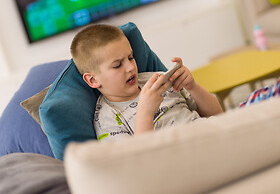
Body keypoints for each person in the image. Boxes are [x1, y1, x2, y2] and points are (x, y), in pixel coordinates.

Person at [70, 24, 223, 141]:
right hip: (183, 157)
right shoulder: (107, 118)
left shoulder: (159, 80)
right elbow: (138, 160)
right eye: (117, 65)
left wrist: (192, 86)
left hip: (214, 134)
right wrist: (145, 112)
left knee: (246, 106)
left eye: (131, 57)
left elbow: (218, 114)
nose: (130, 67)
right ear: (93, 79)